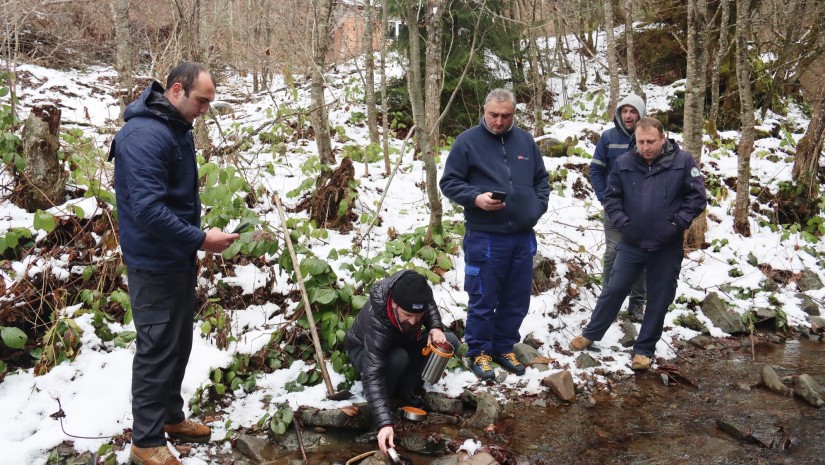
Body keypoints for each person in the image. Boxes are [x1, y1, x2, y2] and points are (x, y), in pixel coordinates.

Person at [112, 62, 239, 465]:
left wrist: (194, 240)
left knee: (177, 344)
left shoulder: (174, 128)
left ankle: (169, 417)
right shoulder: (144, 135)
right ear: (177, 90)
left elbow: (173, 199)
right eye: (201, 101)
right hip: (153, 264)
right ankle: (144, 441)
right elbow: (148, 210)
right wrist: (202, 239)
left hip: (176, 258)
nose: (205, 110)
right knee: (156, 349)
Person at [570, 117, 707, 370]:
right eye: (641, 141)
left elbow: (697, 198)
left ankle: (644, 350)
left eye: (651, 141)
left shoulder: (683, 162)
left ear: (662, 138)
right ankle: (591, 333)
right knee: (614, 288)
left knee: (659, 297)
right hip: (632, 242)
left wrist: (677, 224)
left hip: (666, 245)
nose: (645, 147)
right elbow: (612, 199)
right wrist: (623, 224)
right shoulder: (624, 163)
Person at [439, 88, 549, 380]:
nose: (499, 121)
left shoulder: (525, 140)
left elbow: (541, 180)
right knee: (484, 298)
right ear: (484, 111)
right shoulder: (468, 142)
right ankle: (479, 352)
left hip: (522, 236)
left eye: (506, 115)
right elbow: (449, 182)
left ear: (514, 114)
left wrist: (536, 208)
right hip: (486, 236)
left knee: (516, 298)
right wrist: (476, 198)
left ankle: (503, 347)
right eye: (494, 115)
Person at [344, 270, 460, 454]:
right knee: (398, 357)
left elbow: (427, 306)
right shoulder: (378, 320)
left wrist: (435, 327)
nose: (414, 321)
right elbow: (372, 374)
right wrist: (384, 422)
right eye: (407, 315)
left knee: (448, 341)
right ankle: (388, 399)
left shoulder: (415, 289)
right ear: (394, 304)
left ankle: (406, 388)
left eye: (418, 316)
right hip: (362, 350)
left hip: (401, 343)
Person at [589, 94, 647, 322]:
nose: (629, 115)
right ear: (619, 113)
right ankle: (609, 304)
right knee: (613, 254)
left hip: (643, 212)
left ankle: (637, 306)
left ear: (640, 113)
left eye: (633, 111)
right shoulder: (608, 138)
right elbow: (595, 170)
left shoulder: (648, 138)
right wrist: (605, 198)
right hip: (614, 209)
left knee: (642, 256)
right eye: (625, 111)